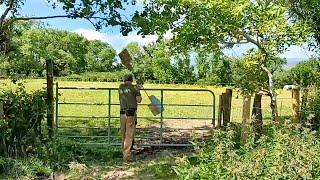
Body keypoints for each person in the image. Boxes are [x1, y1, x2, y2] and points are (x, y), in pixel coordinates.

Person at [119, 74, 142, 162]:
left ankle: (124, 153)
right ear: (131, 80)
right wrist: (138, 89)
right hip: (130, 113)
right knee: (129, 134)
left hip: (122, 113)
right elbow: (139, 100)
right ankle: (127, 156)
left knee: (123, 134)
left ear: (124, 79)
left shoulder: (121, 87)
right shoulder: (134, 88)